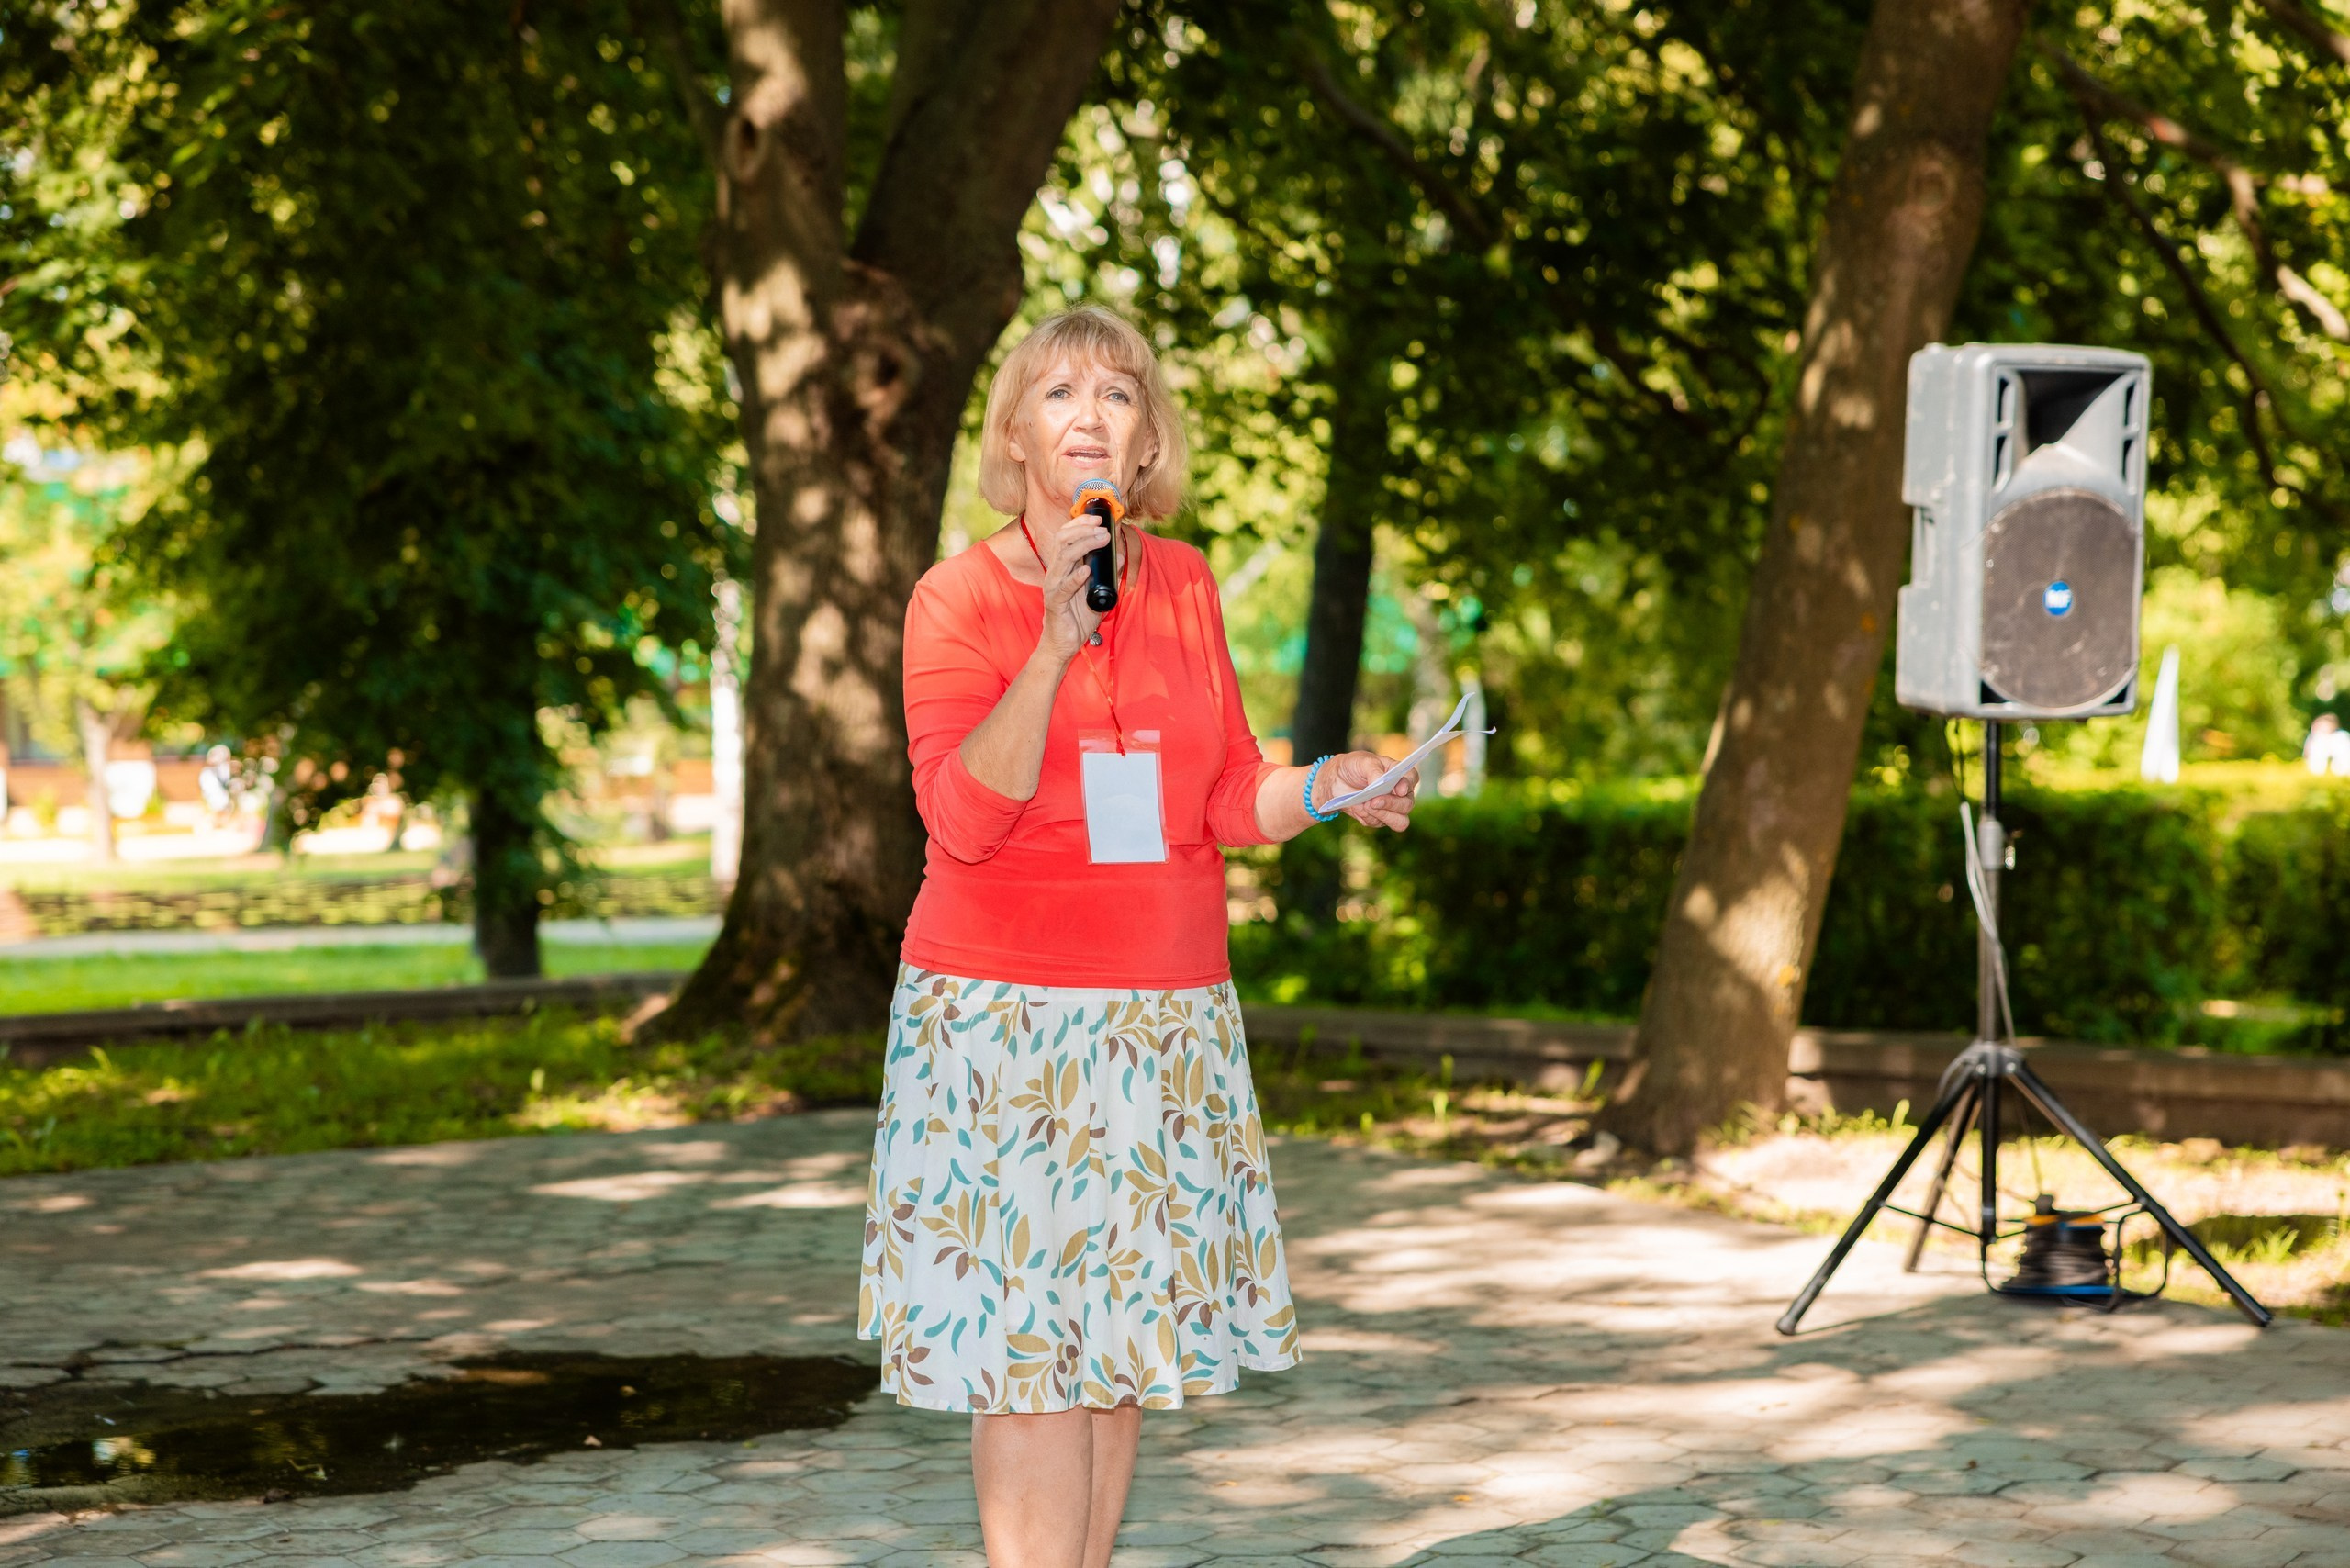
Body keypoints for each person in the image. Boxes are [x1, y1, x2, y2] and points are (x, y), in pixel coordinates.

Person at [858, 306, 1418, 1568]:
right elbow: (961, 817)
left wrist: (1330, 784)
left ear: (1147, 439)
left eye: (1118, 394)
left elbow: (1225, 794)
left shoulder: (1187, 584)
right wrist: (1053, 645)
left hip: (1163, 1017)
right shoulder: (955, 599)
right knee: (1030, 1365)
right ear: (1015, 435)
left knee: (1115, 1357)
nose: (1090, 416)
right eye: (1059, 393)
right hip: (1006, 1022)